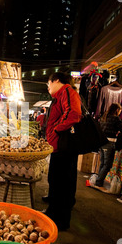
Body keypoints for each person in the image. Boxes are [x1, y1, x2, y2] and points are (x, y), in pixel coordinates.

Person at [42, 72, 83, 230]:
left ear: (56, 80)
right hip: (59, 147)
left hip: (65, 148)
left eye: (49, 83)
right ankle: (53, 212)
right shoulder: (60, 95)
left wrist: (57, 130)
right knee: (56, 180)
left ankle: (60, 220)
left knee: (63, 183)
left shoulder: (67, 91)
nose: (48, 87)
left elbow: (74, 114)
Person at [94, 103, 122, 192]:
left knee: (103, 163)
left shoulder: (104, 116)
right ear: (117, 110)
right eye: (120, 110)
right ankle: (99, 182)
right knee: (107, 164)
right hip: (109, 142)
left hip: (101, 142)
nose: (120, 112)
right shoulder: (115, 118)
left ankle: (98, 181)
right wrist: (120, 136)